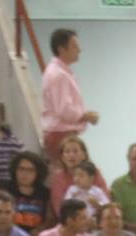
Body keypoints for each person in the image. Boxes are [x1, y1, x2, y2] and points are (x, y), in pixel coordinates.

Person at [40, 27, 97, 160]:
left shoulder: (58, 72)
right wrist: (85, 116)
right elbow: (65, 110)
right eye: (74, 46)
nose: (79, 50)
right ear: (61, 49)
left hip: (60, 133)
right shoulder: (59, 75)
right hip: (61, 134)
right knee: (66, 176)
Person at [4, 150, 52, 236]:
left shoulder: (45, 192)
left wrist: (39, 230)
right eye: (21, 169)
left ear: (38, 173)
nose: (24, 174)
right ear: (15, 170)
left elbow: (50, 219)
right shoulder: (6, 190)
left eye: (30, 170)